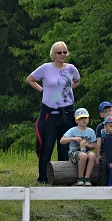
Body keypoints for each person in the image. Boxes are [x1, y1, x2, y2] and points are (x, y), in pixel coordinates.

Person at [27, 41, 80, 185]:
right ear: (53, 54)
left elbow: (77, 81)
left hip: (67, 111)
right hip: (49, 112)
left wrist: (67, 91)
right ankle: (43, 176)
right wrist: (43, 91)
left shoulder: (71, 69)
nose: (63, 55)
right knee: (47, 145)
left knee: (65, 146)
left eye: (65, 52)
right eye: (59, 52)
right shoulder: (45, 68)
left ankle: (62, 176)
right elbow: (30, 79)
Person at [60, 108, 98, 186]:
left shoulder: (91, 131)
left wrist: (88, 145)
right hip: (74, 152)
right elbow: (61, 141)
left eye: (85, 118)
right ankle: (80, 177)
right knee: (83, 155)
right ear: (76, 120)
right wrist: (73, 138)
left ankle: (87, 178)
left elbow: (93, 146)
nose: (83, 120)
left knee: (92, 155)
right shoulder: (73, 130)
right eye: (81, 118)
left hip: (86, 150)